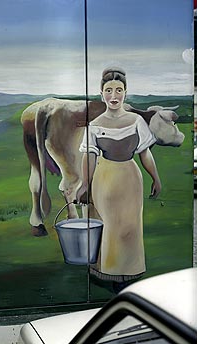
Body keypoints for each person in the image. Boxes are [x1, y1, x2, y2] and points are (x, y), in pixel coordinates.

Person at [76, 67, 161, 291]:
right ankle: (109, 273)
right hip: (105, 179)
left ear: (125, 92)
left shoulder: (136, 121)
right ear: (101, 93)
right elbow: (89, 157)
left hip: (130, 179)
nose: (114, 96)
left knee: (130, 227)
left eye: (119, 90)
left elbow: (145, 152)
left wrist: (156, 178)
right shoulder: (94, 125)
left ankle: (129, 272)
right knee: (110, 227)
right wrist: (85, 184)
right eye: (109, 90)